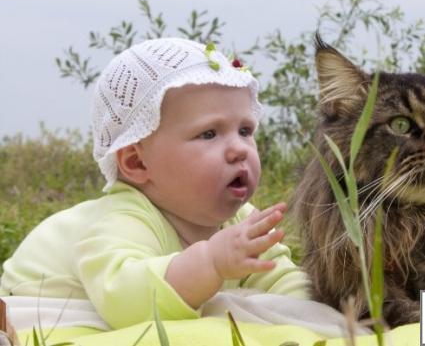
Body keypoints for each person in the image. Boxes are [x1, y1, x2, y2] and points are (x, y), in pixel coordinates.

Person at [0, 38, 309, 329]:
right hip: (43, 311)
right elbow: (125, 300)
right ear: (137, 163)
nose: (240, 148)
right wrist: (211, 263)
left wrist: (319, 312)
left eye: (245, 130)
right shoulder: (124, 218)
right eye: (209, 134)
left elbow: (283, 283)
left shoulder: (240, 222)